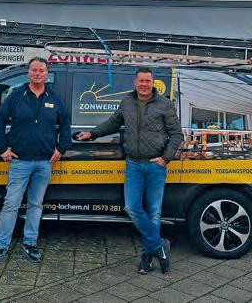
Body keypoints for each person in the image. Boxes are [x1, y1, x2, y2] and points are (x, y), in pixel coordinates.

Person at [78, 67, 182, 274]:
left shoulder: (164, 104)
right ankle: (160, 245)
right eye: (141, 81)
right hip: (133, 164)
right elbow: (113, 123)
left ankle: (147, 257)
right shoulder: (127, 102)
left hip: (155, 165)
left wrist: (165, 159)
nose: (144, 84)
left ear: (152, 83)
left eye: (147, 81)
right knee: (132, 207)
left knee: (154, 211)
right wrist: (92, 133)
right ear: (135, 83)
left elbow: (177, 134)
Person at [0, 57, 71, 267]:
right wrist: (2, 149)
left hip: (44, 163)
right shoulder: (15, 96)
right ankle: (1, 245)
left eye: (41, 70)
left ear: (46, 74)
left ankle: (30, 243)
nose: (37, 73)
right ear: (28, 73)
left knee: (36, 204)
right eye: (34, 70)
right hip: (19, 162)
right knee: (11, 204)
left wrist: (61, 149)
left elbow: (65, 124)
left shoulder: (54, 98)